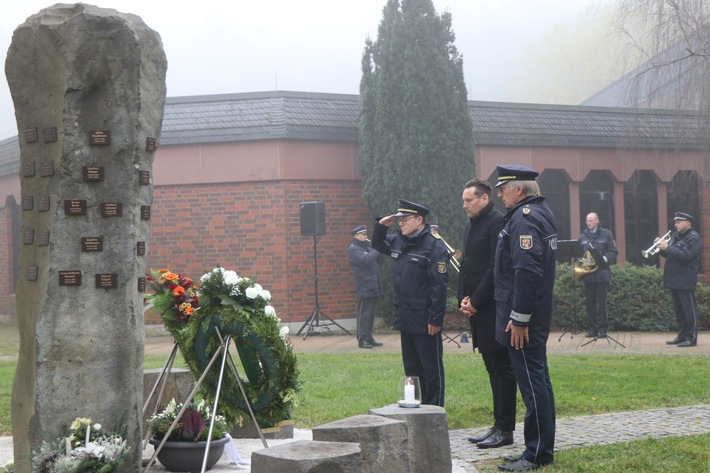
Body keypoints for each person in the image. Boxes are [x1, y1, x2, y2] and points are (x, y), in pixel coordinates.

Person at [493, 165, 556, 472]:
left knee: (533, 386)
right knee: (537, 382)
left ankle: (537, 453)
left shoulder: (525, 218)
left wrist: (519, 319)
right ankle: (539, 447)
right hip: (532, 314)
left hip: (525, 320)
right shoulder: (538, 213)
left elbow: (528, 272)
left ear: (518, 189)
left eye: (502, 189)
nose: (499, 195)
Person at [371, 199, 449, 406]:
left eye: (405, 220)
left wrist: (435, 318)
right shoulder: (399, 241)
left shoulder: (434, 245)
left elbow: (439, 285)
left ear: (419, 220)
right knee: (412, 370)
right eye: (399, 220)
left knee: (431, 370)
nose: (401, 224)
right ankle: (416, 409)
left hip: (425, 320)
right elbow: (378, 244)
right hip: (406, 317)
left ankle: (434, 412)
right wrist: (381, 226)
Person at [459, 179, 517, 449]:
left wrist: (477, 301)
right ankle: (497, 425)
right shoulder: (473, 225)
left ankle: (506, 429)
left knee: (502, 369)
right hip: (478, 307)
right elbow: (467, 264)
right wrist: (464, 297)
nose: (464, 205)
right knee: (491, 367)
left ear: (485, 199)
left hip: (493, 307)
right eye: (464, 200)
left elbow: (495, 267)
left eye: (469, 200)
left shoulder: (497, 222)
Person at [658, 212, 701, 348]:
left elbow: (686, 255)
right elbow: (670, 254)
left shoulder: (693, 238)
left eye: (679, 222)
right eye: (675, 222)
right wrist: (660, 248)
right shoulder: (676, 236)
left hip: (685, 279)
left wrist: (668, 247)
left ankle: (691, 338)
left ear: (688, 222)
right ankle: (681, 336)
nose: (676, 224)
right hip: (674, 278)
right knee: (679, 310)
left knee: (689, 310)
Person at [578, 212, 618, 339]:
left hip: (602, 274)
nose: (588, 223)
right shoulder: (583, 236)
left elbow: (614, 251)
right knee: (589, 304)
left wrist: (605, 259)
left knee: (602, 304)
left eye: (591, 220)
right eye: (587, 221)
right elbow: (580, 254)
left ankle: (603, 330)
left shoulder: (607, 234)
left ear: (597, 221)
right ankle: (592, 329)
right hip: (588, 275)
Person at [347, 225, 384, 349]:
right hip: (364, 285)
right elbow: (366, 260)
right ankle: (362, 339)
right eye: (363, 234)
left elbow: (376, 260)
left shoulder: (365, 247)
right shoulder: (354, 249)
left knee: (371, 312)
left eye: (365, 234)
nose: (365, 236)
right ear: (356, 236)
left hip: (372, 283)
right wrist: (377, 249)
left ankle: (369, 337)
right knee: (365, 313)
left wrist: (378, 250)